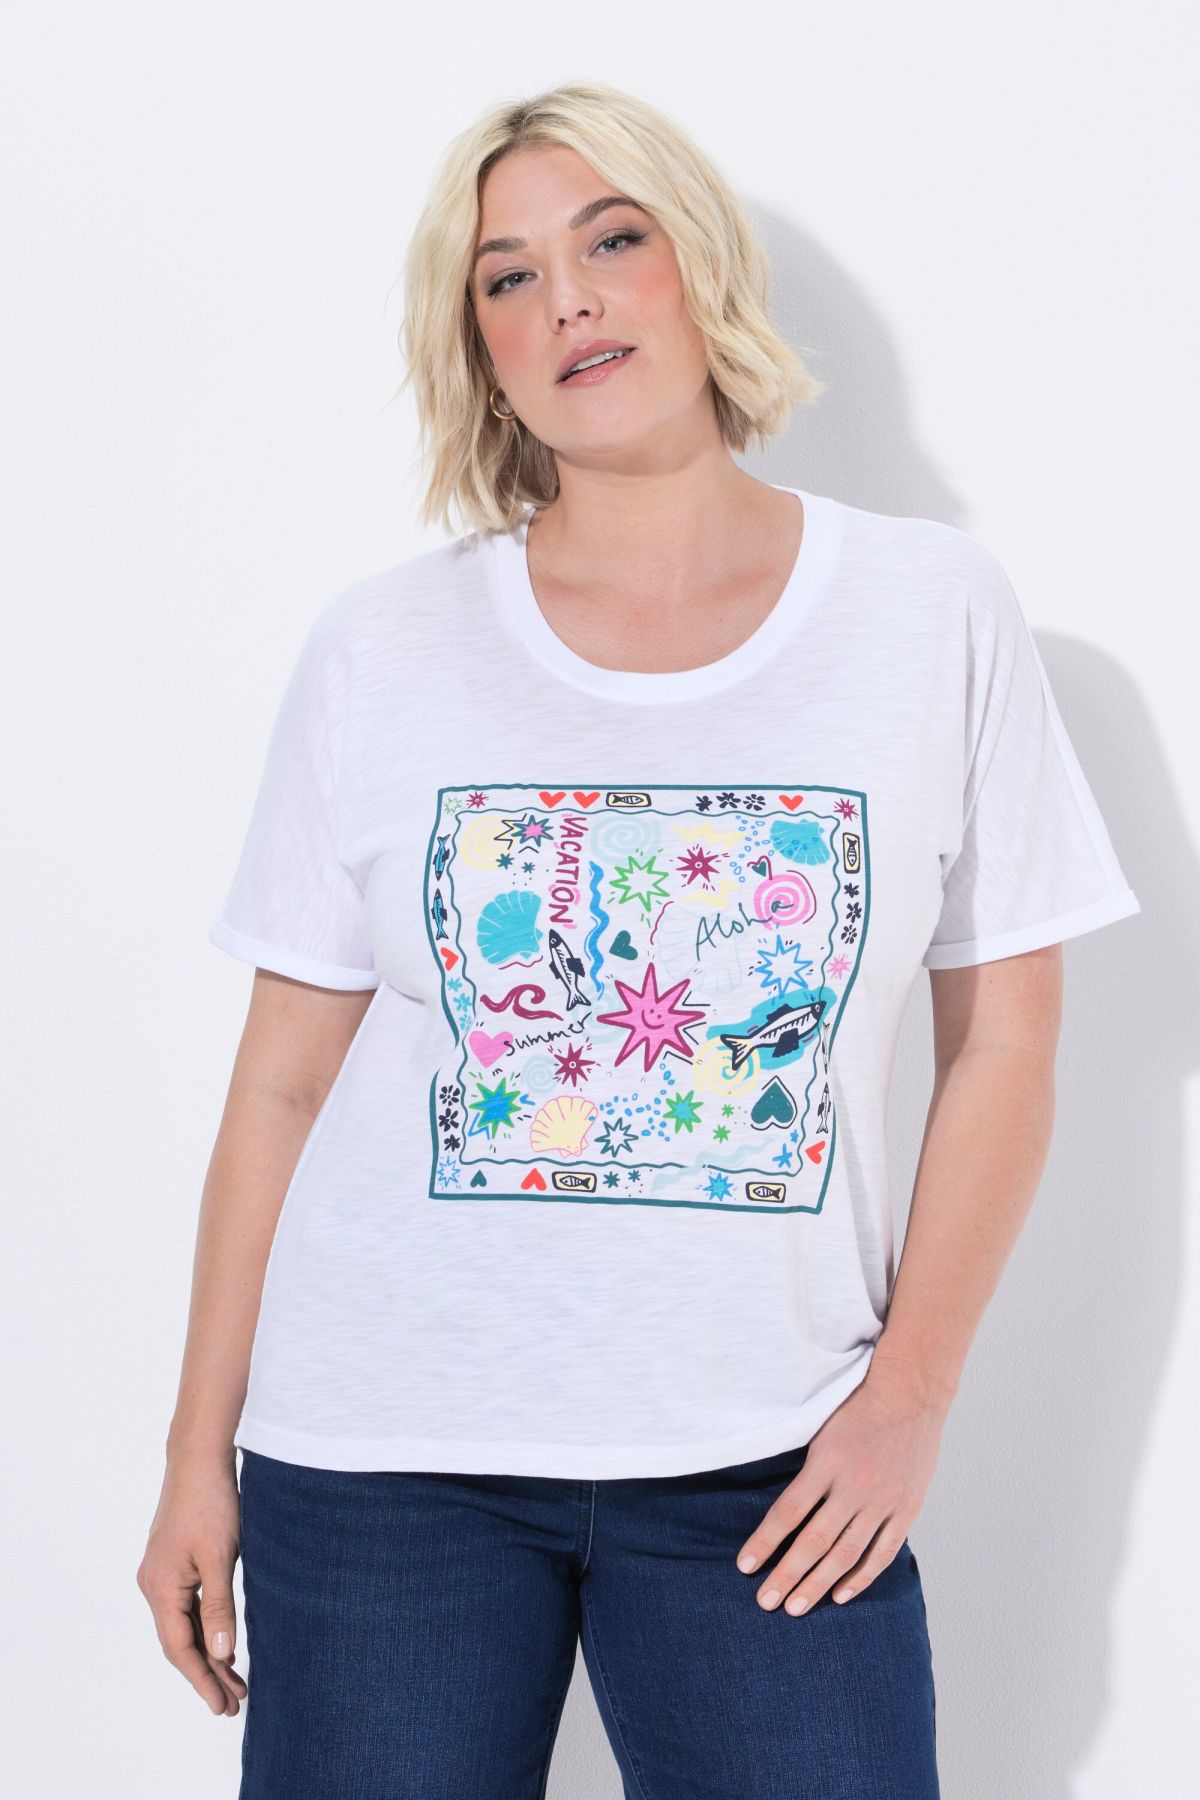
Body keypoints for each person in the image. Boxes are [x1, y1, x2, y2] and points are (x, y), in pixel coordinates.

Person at [136, 80, 1141, 1800]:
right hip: (384, 1461)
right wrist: (192, 1454)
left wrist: (909, 1400)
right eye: (507, 277)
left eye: (613, 239)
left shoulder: (928, 613)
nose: (570, 300)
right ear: (479, 350)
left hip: (775, 1458)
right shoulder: (385, 648)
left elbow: (1008, 1046)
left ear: (703, 265)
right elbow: (282, 1087)